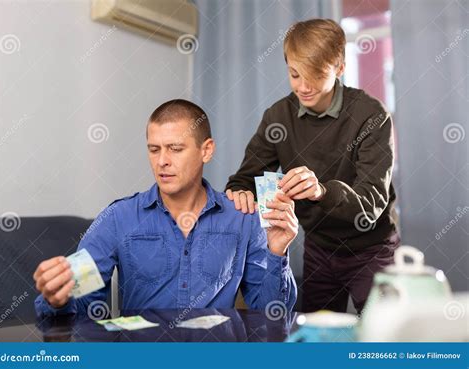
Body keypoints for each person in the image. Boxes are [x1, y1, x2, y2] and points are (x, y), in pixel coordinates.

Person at [33, 99, 298, 317]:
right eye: (154, 149)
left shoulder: (242, 218)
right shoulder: (118, 218)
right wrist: (59, 300)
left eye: (175, 149)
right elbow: (81, 306)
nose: (162, 161)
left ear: (206, 151)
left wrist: (277, 251)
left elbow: (271, 316)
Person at [225, 19, 400, 314]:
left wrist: (321, 191)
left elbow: (370, 204)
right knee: (316, 340)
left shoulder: (371, 115)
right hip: (319, 249)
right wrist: (239, 192)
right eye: (294, 74)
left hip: (372, 249)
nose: (303, 87)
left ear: (339, 67)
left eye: (315, 75)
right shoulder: (278, 116)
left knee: (385, 339)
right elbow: (245, 180)